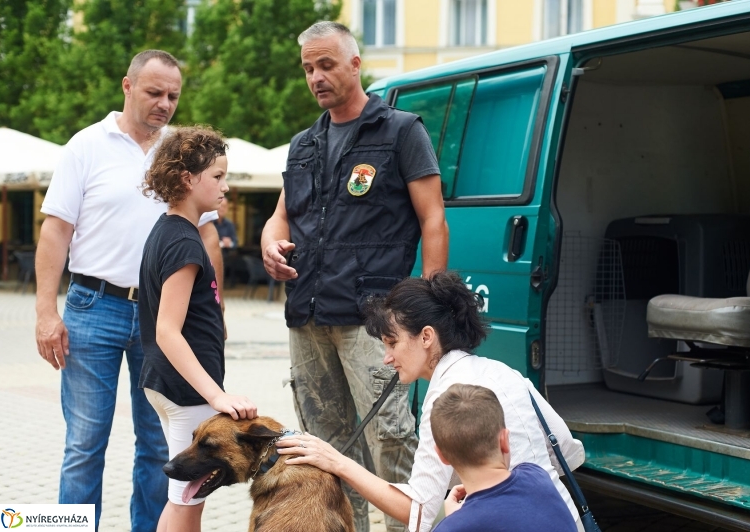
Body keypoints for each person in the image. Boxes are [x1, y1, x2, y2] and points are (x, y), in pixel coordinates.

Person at [261, 21, 449, 532]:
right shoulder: (303, 144)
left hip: (375, 319)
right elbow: (281, 216)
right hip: (308, 314)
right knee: (326, 445)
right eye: (308, 68)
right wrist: (269, 242)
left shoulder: (401, 131)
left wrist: (430, 305)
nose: (316, 77)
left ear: (355, 64)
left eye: (326, 65)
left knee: (388, 436)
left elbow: (433, 218)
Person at [34, 50, 224, 532]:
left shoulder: (182, 151)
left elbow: (206, 236)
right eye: (154, 92)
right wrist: (45, 312)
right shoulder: (85, 145)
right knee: (85, 444)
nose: (165, 103)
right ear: (127, 86)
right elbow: (55, 231)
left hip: (163, 319)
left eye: (173, 96)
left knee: (160, 446)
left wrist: (216, 313)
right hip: (92, 306)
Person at [277, 271, 585, 532]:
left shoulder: (445, 398)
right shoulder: (504, 371)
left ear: (426, 336)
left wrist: (336, 462)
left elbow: (418, 511)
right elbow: (568, 452)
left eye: (392, 343)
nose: (387, 359)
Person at [139, 125, 257, 532]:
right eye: (218, 176)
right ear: (187, 179)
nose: (226, 186)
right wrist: (216, 395)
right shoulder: (184, 243)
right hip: (186, 392)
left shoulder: (169, 230)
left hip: (170, 385)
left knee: (182, 499)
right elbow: (167, 331)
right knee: (188, 502)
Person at [431, 383, 577, 532]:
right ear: (504, 441)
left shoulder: (450, 528)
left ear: (442, 456)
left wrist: (455, 519)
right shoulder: (537, 475)